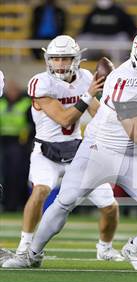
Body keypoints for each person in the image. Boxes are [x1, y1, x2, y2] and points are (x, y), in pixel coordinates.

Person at [3, 29, 137, 272]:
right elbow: (134, 131)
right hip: (100, 150)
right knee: (64, 202)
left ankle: (135, 248)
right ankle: (30, 253)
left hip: (135, 155)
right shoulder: (123, 80)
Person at [1, 35, 122, 268]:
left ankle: (104, 248)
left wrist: (115, 120)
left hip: (77, 150)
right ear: (48, 59)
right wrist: (88, 95)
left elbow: (97, 112)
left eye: (65, 58)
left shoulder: (85, 77)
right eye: (55, 59)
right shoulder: (40, 83)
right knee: (40, 191)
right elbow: (64, 118)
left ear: (76, 59)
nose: (60, 64)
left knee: (110, 206)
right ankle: (24, 248)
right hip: (46, 150)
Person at [0, 79, 33, 212]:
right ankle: (6, 203)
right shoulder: (2, 103)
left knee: (18, 175)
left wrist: (26, 141)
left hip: (19, 144)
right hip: (2, 143)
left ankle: (17, 204)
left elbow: (32, 125)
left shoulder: (25, 104)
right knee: (4, 175)